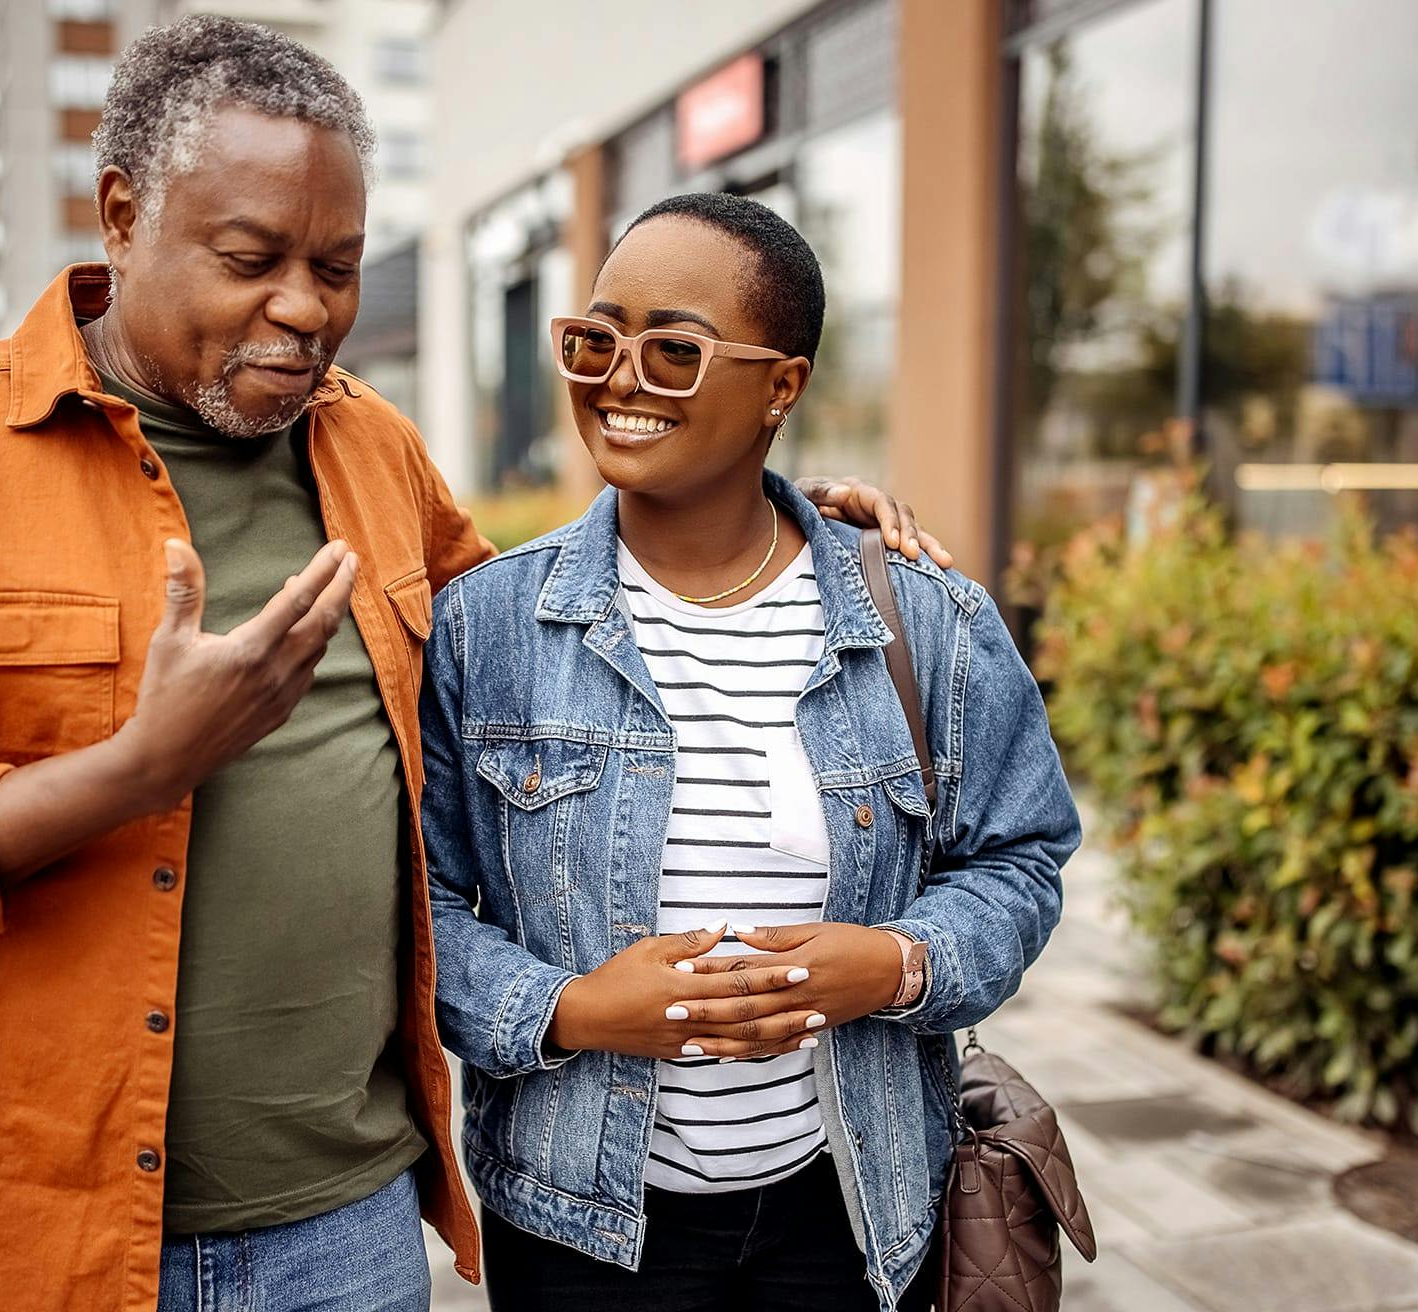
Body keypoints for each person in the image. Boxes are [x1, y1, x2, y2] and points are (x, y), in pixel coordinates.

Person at [0, 20, 944, 1312]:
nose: (307, 310)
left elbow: (562, 624)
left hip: (350, 1227)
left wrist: (750, 517)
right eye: (252, 260)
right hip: (52, 1239)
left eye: (339, 266)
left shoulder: (371, 450)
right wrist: (131, 771)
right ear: (122, 216)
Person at [420, 192, 1081, 1311]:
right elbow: (421, 904)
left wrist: (894, 964)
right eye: (595, 339)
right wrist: (571, 1008)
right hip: (582, 1227)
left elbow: (1021, 859)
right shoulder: (488, 625)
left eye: (674, 349)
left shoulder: (925, 620)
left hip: (854, 1208)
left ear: (783, 384)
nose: (620, 378)